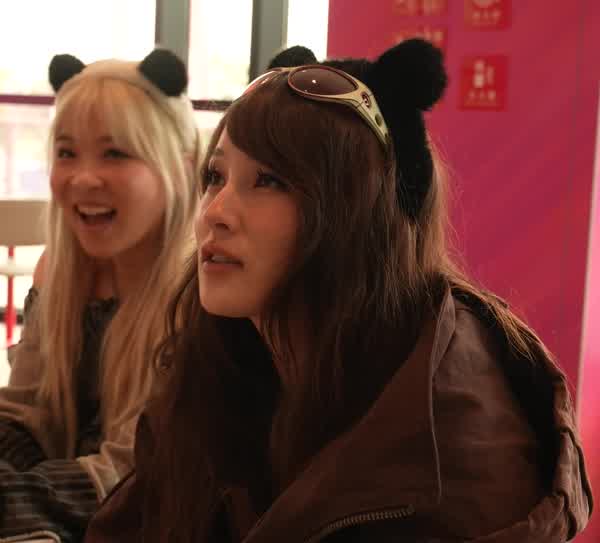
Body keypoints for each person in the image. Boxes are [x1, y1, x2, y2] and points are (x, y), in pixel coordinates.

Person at [85, 39, 592, 542]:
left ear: (358, 214)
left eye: (269, 181)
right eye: (216, 176)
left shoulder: (451, 448)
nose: (215, 212)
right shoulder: (230, 359)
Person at [0, 48, 201, 542]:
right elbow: (29, 412)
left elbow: (138, 471)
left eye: (115, 154)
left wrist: (13, 498)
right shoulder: (59, 271)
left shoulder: (200, 294)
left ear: (180, 167)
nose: (84, 178)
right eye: (67, 153)